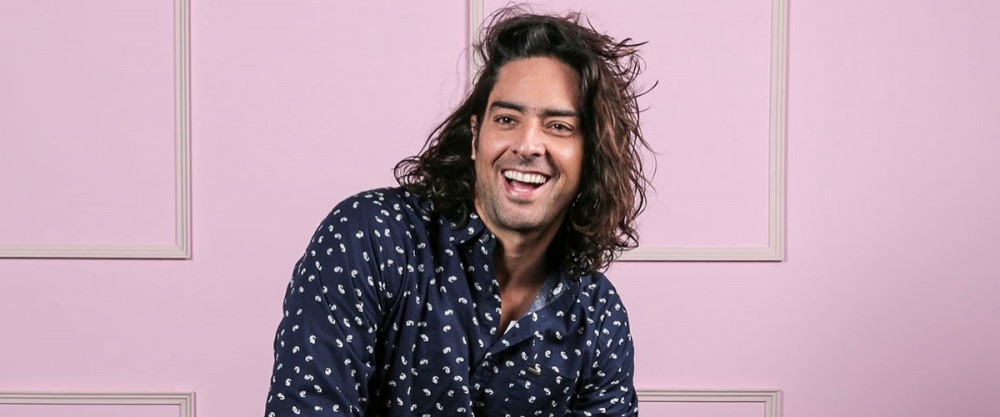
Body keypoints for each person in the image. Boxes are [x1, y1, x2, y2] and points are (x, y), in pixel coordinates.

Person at [264, 6, 652, 417]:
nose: (527, 145)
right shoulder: (370, 238)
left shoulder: (598, 316)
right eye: (507, 119)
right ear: (475, 136)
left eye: (558, 126)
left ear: (589, 156)